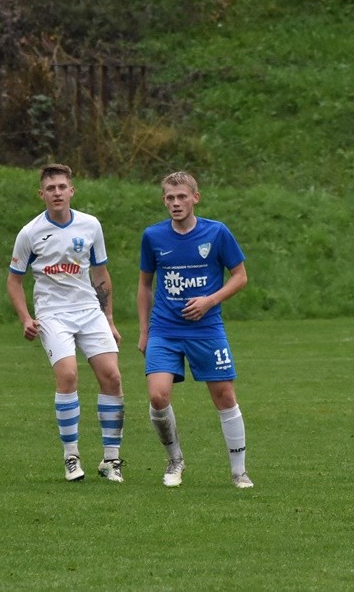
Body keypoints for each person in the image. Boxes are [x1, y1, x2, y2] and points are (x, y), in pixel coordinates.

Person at [7, 164, 125, 483]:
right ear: (41, 194)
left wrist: (109, 319)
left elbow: (100, 274)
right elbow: (14, 280)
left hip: (89, 310)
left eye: (62, 187)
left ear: (72, 190)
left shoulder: (90, 225)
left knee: (112, 377)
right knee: (68, 375)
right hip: (53, 313)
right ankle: (71, 457)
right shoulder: (30, 233)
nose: (57, 193)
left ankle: (111, 460)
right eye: (51, 188)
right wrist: (26, 318)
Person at [137, 171, 252, 489]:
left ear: (195, 198)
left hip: (207, 330)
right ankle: (175, 460)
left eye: (182, 197)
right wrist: (145, 331)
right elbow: (145, 285)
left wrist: (209, 301)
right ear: (164, 201)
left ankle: (239, 472)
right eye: (170, 198)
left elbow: (240, 276)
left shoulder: (217, 232)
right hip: (164, 330)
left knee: (224, 396)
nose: (176, 203)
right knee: (157, 396)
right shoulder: (153, 236)